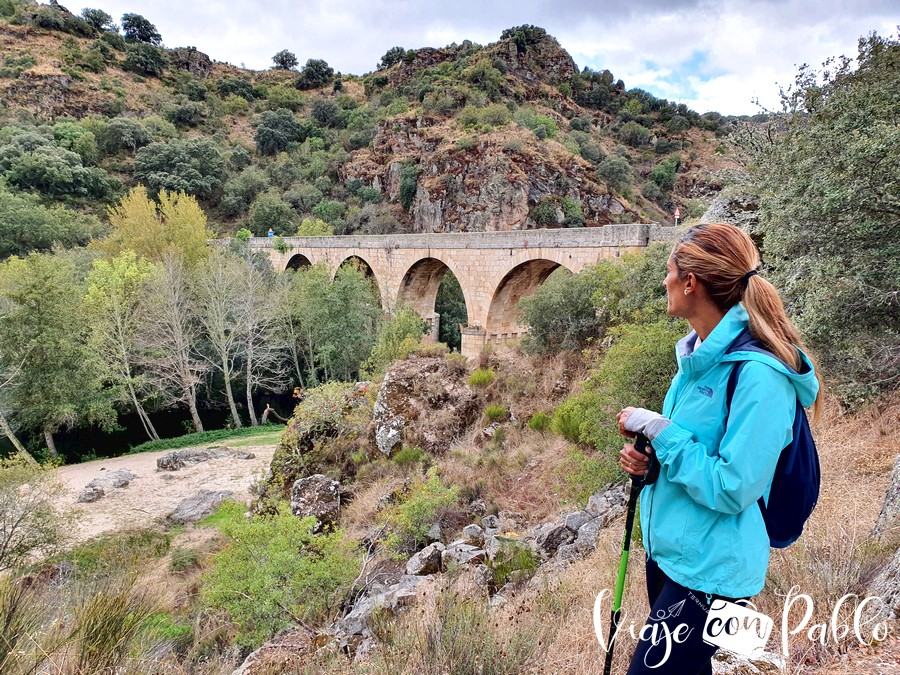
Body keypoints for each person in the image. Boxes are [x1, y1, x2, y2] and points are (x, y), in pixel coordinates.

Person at [616, 222, 821, 674]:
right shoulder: (696, 356)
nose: (664, 282)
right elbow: (694, 452)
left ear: (690, 283)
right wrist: (650, 466)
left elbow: (733, 486)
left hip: (715, 572)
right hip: (673, 555)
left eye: (669, 272)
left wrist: (662, 431)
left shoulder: (760, 376)